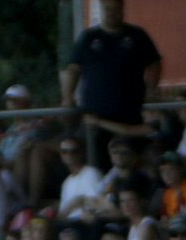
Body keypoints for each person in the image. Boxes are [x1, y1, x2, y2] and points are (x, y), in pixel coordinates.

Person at [60, 0, 161, 166]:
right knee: (96, 160)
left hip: (130, 114)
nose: (112, 13)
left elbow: (155, 63)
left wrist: (151, 88)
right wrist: (67, 97)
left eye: (116, 9)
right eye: (108, 9)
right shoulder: (88, 37)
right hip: (96, 116)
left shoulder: (137, 35)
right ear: (101, 10)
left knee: (131, 161)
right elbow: (73, 69)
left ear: (122, 9)